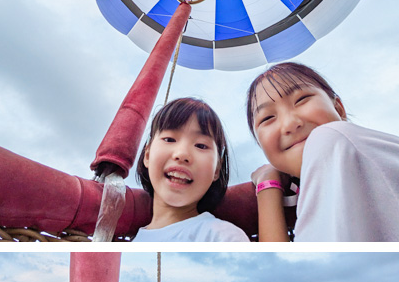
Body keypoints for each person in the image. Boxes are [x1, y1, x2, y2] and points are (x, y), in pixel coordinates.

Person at [247, 62, 399, 241]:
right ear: (260, 144)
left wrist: (266, 185)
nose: (289, 123)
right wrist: (268, 184)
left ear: (338, 108)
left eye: (301, 100)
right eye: (267, 118)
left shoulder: (330, 138)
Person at [133, 97, 248, 242]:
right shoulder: (135, 239)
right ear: (147, 155)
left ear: (217, 169)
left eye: (201, 146)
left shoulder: (222, 237)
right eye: (169, 139)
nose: (182, 154)